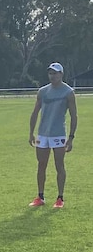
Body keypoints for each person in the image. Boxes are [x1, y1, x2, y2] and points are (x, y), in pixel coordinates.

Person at [28, 62, 77, 209]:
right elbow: (35, 112)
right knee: (41, 165)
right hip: (42, 134)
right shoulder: (42, 91)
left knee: (59, 165)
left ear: (61, 74)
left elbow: (74, 115)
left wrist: (71, 137)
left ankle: (60, 197)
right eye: (50, 73)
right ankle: (40, 196)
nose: (52, 76)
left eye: (55, 73)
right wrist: (31, 133)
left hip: (58, 134)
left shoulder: (68, 92)